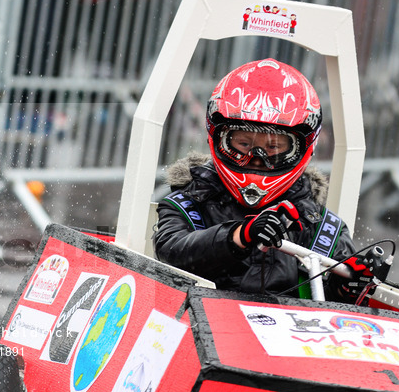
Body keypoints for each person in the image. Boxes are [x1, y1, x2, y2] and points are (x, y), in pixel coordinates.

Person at [153, 58, 376, 302]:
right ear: (218, 137)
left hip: (289, 334)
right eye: (243, 144)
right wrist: (241, 235)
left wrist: (351, 285)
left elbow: (338, 311)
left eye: (273, 147)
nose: (257, 159)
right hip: (200, 322)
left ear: (303, 147)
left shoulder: (320, 225)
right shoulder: (187, 202)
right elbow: (171, 251)